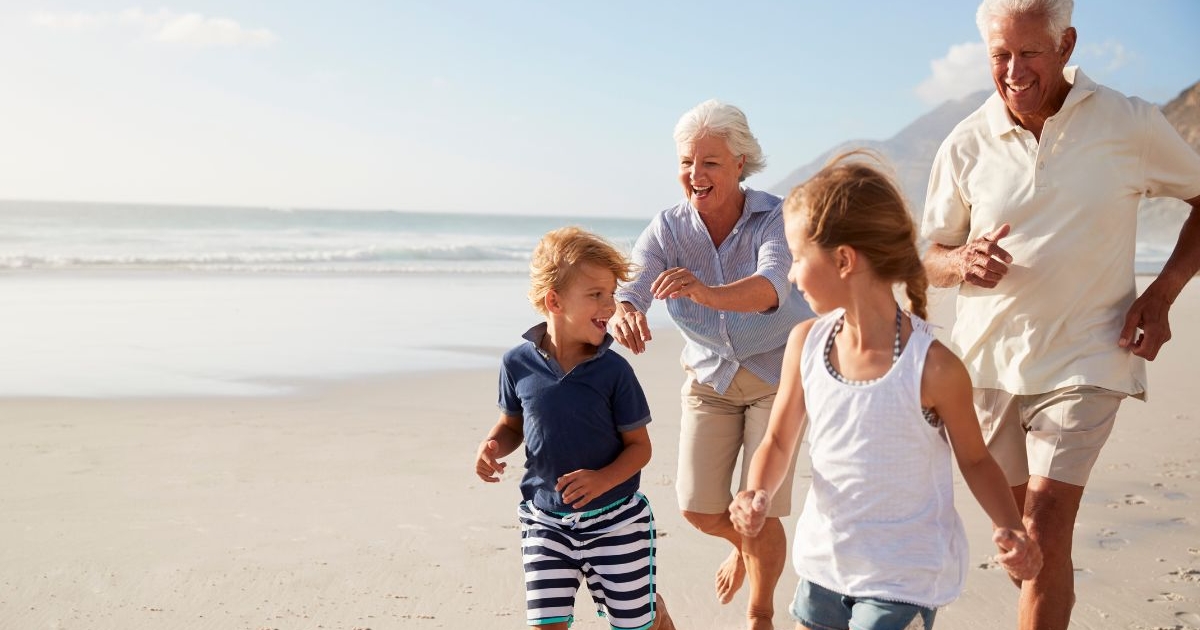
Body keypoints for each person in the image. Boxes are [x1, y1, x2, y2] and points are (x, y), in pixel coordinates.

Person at [920, 1, 1200, 628]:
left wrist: (1161, 295)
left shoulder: (1129, 123)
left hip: (1089, 355)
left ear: (1067, 44)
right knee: (1029, 546)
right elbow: (926, 255)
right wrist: (961, 260)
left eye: (1029, 53)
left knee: (1044, 525)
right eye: (999, 55)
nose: (1013, 71)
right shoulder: (965, 142)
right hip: (988, 366)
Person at [730, 152, 1043, 630]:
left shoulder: (933, 367)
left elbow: (976, 460)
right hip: (825, 566)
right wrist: (756, 492)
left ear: (843, 259)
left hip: (904, 577)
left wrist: (1010, 527)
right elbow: (777, 441)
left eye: (796, 259)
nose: (790, 275)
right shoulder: (806, 343)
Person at [611, 99, 814, 629]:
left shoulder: (775, 217)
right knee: (699, 508)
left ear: (740, 163)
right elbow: (629, 288)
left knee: (756, 505)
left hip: (778, 375)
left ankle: (760, 614)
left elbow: (771, 288)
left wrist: (704, 291)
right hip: (709, 378)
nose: (695, 175)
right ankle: (743, 544)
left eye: (710, 163)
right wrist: (627, 313)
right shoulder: (667, 229)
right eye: (686, 162)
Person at [474, 227, 676, 630]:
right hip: (545, 520)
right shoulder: (517, 364)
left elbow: (640, 448)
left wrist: (602, 479)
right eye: (596, 295)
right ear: (554, 301)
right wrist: (493, 445)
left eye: (611, 293)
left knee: (636, 623)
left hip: (616, 521)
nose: (610, 305)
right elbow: (512, 425)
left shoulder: (614, 371)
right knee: (546, 623)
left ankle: (656, 614)